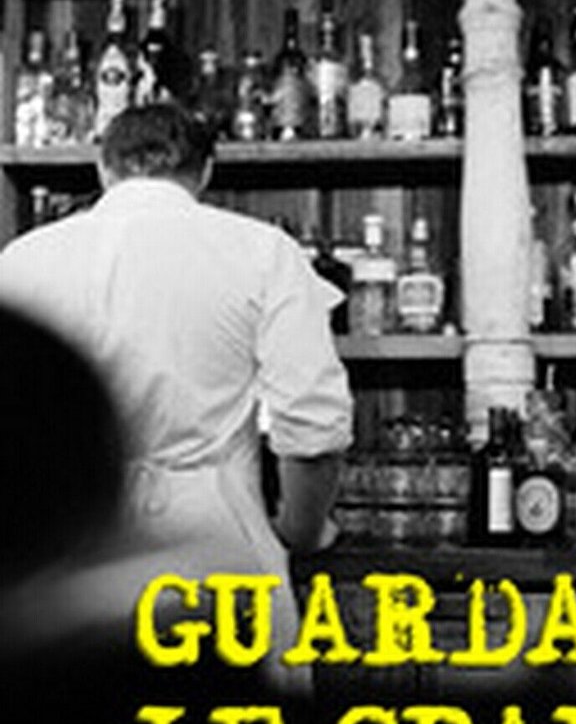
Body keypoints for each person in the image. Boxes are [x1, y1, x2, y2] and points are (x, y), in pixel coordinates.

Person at [0, 102, 353, 675]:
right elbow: (313, 428)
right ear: (205, 171)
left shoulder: (22, 258)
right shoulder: (261, 250)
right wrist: (302, 531)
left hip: (63, 551)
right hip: (213, 540)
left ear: (103, 167)